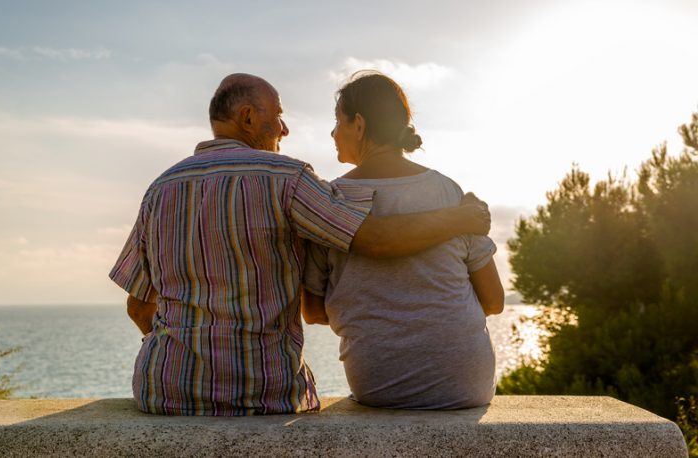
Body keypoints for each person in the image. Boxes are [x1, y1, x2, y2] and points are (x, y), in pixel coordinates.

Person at [109, 73, 492, 416]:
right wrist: (462, 218)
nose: (285, 128)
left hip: (165, 391)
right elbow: (372, 238)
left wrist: (182, 355)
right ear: (247, 118)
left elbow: (139, 306)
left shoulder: (160, 189)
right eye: (277, 115)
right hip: (265, 394)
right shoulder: (286, 178)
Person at [302, 71, 505, 410]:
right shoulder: (448, 191)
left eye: (338, 121)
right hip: (467, 387)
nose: (333, 133)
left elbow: (313, 312)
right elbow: (495, 301)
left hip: (380, 387)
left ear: (360, 124)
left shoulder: (331, 201)